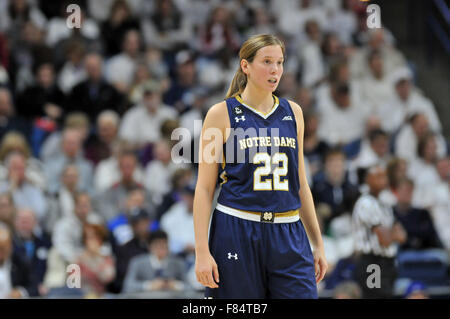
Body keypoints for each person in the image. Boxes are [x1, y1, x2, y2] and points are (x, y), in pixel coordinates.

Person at [193, 34, 327, 299]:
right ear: (246, 66)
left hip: (288, 230)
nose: (275, 70)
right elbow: (205, 189)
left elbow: (300, 185)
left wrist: (318, 244)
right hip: (237, 228)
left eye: (280, 62)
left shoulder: (294, 112)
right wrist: (201, 251)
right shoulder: (220, 114)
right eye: (267, 62)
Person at [352, 165, 407, 299]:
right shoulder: (365, 203)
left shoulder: (384, 203)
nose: (383, 180)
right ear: (368, 180)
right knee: (375, 296)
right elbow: (385, 240)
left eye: (384, 176)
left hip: (387, 262)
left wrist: (390, 233)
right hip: (372, 263)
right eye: (378, 176)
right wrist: (391, 233)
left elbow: (402, 236)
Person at [122, 230, 187, 294]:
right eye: (157, 246)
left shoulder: (178, 263)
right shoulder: (137, 262)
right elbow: (128, 286)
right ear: (149, 246)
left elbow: (191, 287)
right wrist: (149, 285)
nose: (160, 250)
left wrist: (176, 285)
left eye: (163, 246)